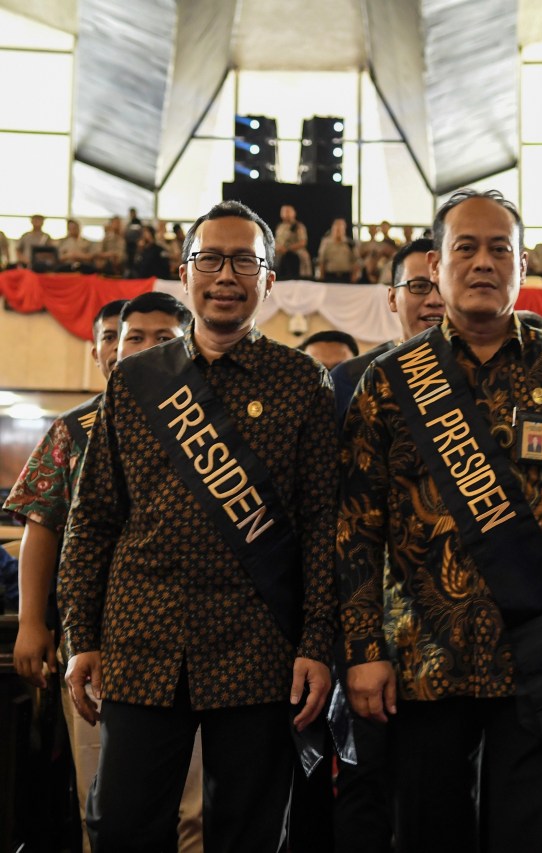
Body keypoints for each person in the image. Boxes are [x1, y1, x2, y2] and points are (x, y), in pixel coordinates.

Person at [336, 189, 542, 853]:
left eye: (499, 248)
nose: (481, 262)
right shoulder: (389, 382)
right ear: (437, 268)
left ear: (522, 265)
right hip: (418, 666)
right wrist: (362, 650)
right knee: (426, 835)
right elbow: (357, 527)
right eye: (464, 248)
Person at [58, 199, 339, 853]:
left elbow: (325, 524)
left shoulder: (304, 383)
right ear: (182, 274)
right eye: (210, 258)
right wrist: (81, 634)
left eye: (245, 260)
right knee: (122, 823)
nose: (226, 274)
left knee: (249, 830)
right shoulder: (135, 380)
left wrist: (316, 641)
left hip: (260, 648)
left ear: (270, 279)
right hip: (139, 642)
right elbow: (93, 517)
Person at [5, 294, 197, 853]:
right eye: (122, 337)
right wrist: (32, 623)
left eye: (160, 339)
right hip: (99, 636)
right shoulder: (76, 426)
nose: (132, 349)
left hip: (196, 636)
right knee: (106, 797)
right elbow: (42, 525)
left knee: (195, 803)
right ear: (98, 351)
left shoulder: (208, 421)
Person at [330, 238, 444, 853]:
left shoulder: (489, 382)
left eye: (438, 284)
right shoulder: (350, 382)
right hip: (368, 623)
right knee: (364, 782)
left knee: (443, 796)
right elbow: (335, 517)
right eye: (417, 287)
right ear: (392, 297)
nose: (431, 299)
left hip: (454, 634)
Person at [331, 238, 444, 422]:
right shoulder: (351, 378)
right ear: (392, 298)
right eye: (419, 286)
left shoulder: (486, 375)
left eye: (444, 287)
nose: (435, 300)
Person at [274, 204, 313, 279]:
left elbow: (303, 242)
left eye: (288, 211)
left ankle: (305, 277)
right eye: (283, 211)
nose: (285, 213)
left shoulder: (298, 226)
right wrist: (278, 247)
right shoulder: (280, 226)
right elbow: (276, 240)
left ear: (293, 213)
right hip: (280, 253)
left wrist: (287, 249)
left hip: (295, 253)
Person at [318, 218, 359, 283]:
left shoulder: (350, 243)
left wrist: (354, 275)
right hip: (330, 276)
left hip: (346, 276)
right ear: (332, 229)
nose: (338, 231)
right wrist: (321, 276)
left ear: (344, 230)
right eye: (336, 228)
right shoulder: (326, 244)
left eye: (340, 228)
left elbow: (355, 261)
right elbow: (322, 261)